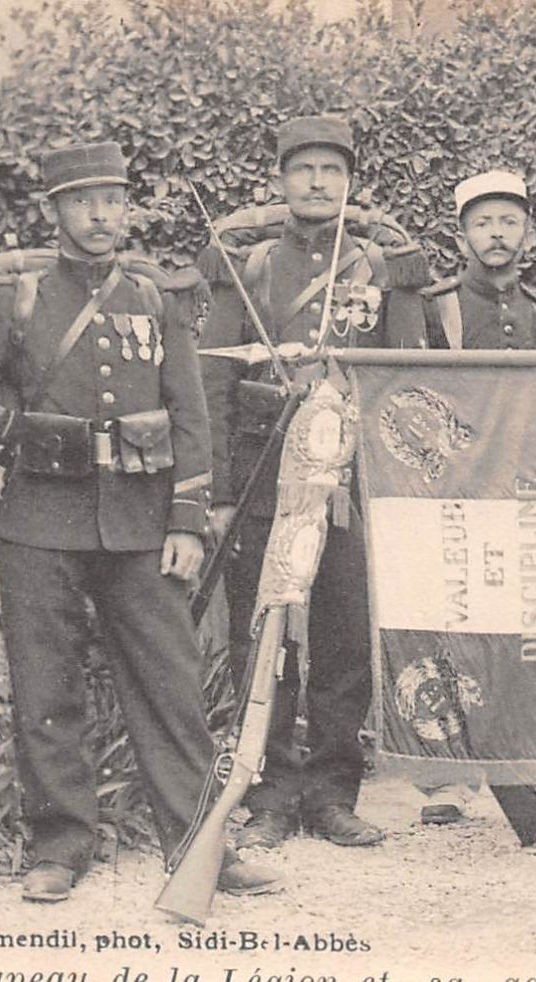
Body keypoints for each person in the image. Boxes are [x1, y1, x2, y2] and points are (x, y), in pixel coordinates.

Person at [0, 141, 282, 902]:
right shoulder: (11, 294)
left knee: (172, 688)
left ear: (127, 207)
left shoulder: (158, 295)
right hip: (39, 521)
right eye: (83, 202)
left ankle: (199, 841)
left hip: (143, 526)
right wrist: (30, 438)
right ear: (55, 211)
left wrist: (187, 520)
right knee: (46, 687)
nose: (100, 215)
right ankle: (59, 845)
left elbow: (191, 414)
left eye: (112, 200)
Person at [198, 115, 430, 849]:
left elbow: (405, 377)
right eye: (303, 170)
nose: (318, 182)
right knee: (261, 634)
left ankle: (332, 793)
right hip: (265, 469)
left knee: (341, 637)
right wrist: (224, 489)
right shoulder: (250, 264)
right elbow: (215, 376)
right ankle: (268, 792)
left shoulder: (379, 265)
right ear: (281, 181)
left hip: (350, 482)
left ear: (351, 183)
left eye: (333, 170)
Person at [414, 169, 536, 824]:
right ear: (461, 235)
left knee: (533, 631)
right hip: (457, 491)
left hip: (531, 492)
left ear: (527, 232)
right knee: (451, 629)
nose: (496, 234)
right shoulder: (435, 307)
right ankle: (449, 778)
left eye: (508, 221)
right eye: (483, 223)